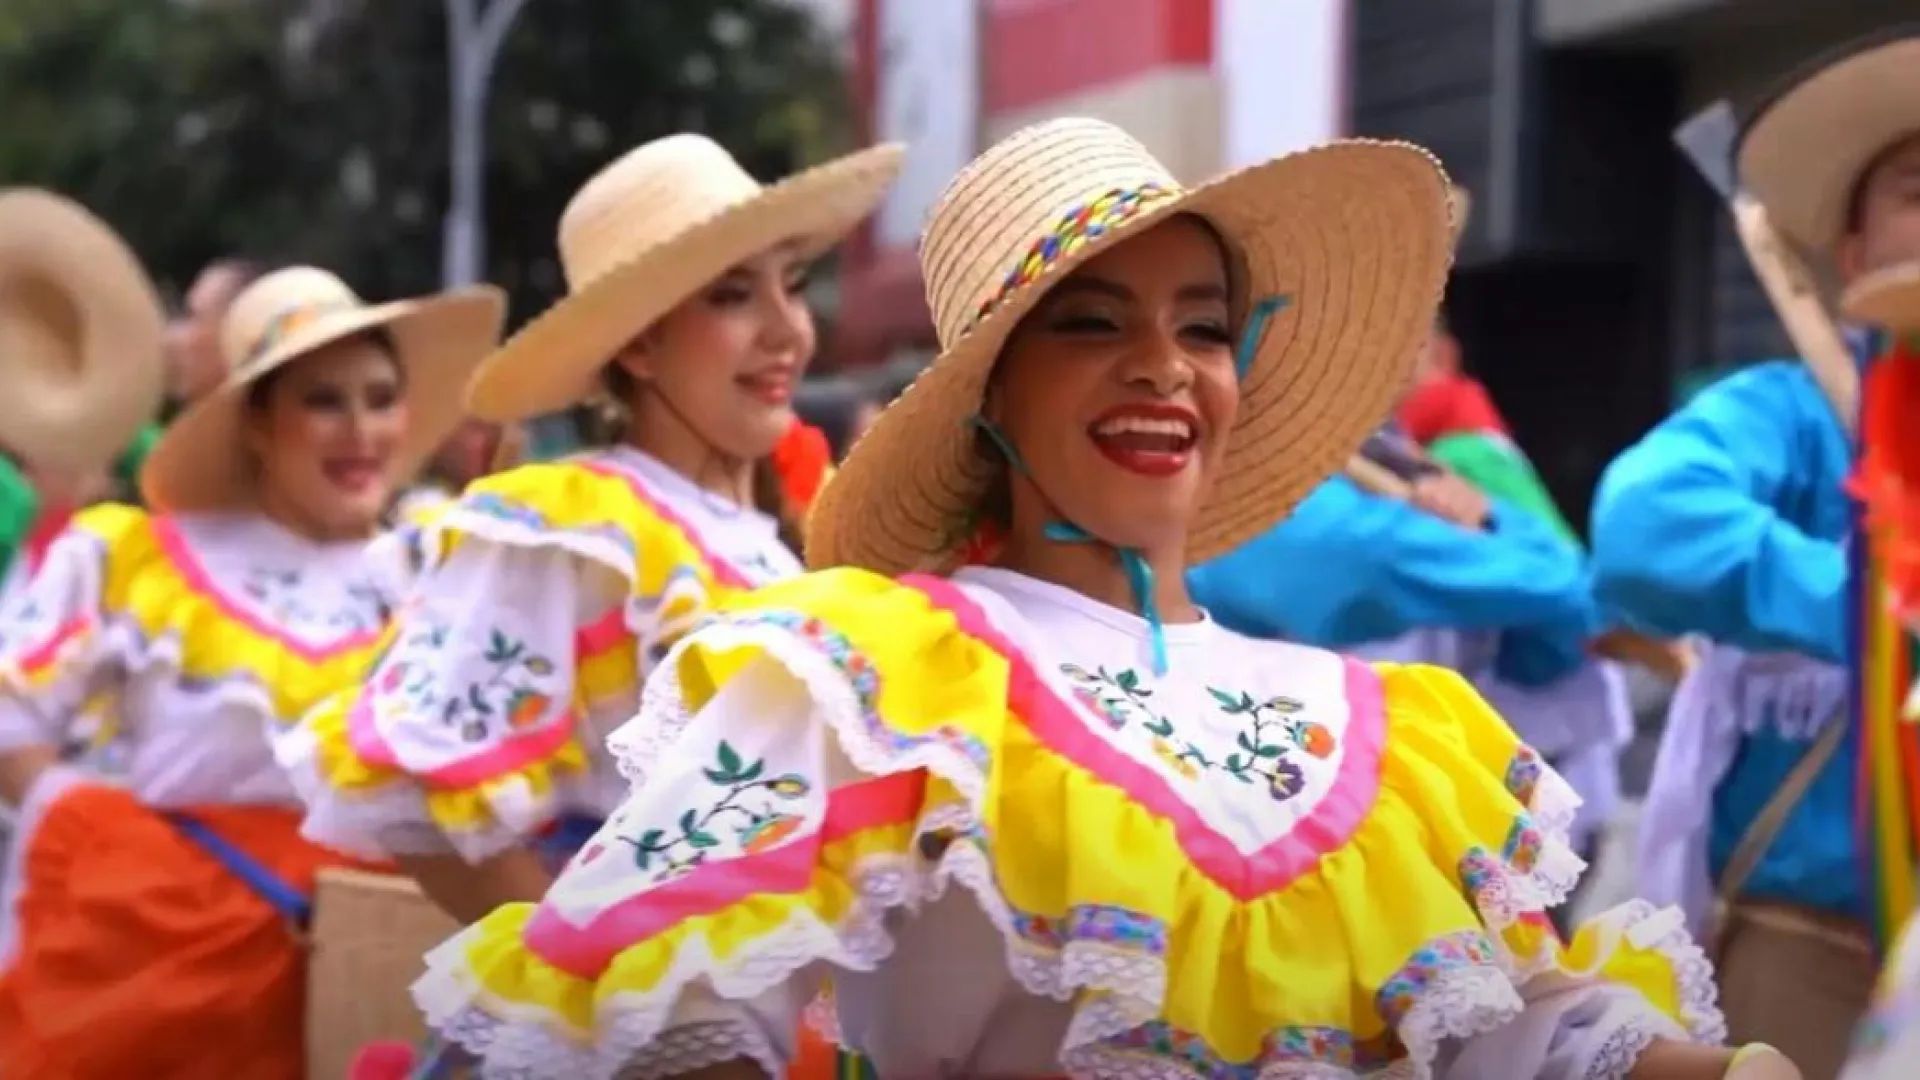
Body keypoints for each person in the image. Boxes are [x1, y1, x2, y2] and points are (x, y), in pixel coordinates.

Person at [411, 117, 1783, 1079]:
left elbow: (1492, 1028)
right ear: (988, 403)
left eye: (1201, 325)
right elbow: (661, 1014)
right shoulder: (872, 677)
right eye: (1090, 322)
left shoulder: (1383, 730)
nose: (1165, 366)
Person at [280, 134, 901, 926]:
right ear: (640, 341)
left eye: (793, 284)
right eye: (733, 295)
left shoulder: (782, 540)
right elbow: (421, 796)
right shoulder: (571, 526)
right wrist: (586, 991)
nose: (788, 330)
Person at [0, 251, 505, 1077]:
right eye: (322, 402)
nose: (362, 431)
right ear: (260, 424)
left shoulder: (444, 566)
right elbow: (11, 711)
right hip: (169, 970)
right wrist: (101, 836)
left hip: (386, 971)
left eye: (381, 400)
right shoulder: (141, 558)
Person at [1592, 27, 1920, 1080]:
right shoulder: (1792, 418)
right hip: (1820, 954)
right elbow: (1644, 526)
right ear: (1854, 248)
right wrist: (1874, 592)